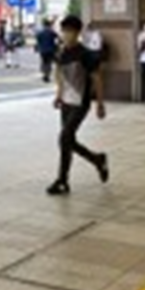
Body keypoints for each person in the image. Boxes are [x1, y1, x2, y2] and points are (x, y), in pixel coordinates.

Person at [47, 15, 109, 195]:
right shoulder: (61, 53)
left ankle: (63, 179)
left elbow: (97, 78)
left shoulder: (85, 54)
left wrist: (100, 103)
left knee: (64, 138)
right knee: (67, 141)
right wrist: (59, 95)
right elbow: (59, 75)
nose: (66, 35)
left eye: (70, 31)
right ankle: (93, 162)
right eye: (64, 31)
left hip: (81, 103)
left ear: (78, 33)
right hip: (66, 102)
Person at [36, 19, 59, 83]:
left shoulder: (40, 33)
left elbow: (38, 41)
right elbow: (58, 39)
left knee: (44, 62)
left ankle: (44, 74)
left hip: (42, 50)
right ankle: (47, 75)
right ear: (49, 25)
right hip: (50, 50)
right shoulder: (52, 32)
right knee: (49, 62)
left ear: (43, 25)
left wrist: (38, 47)